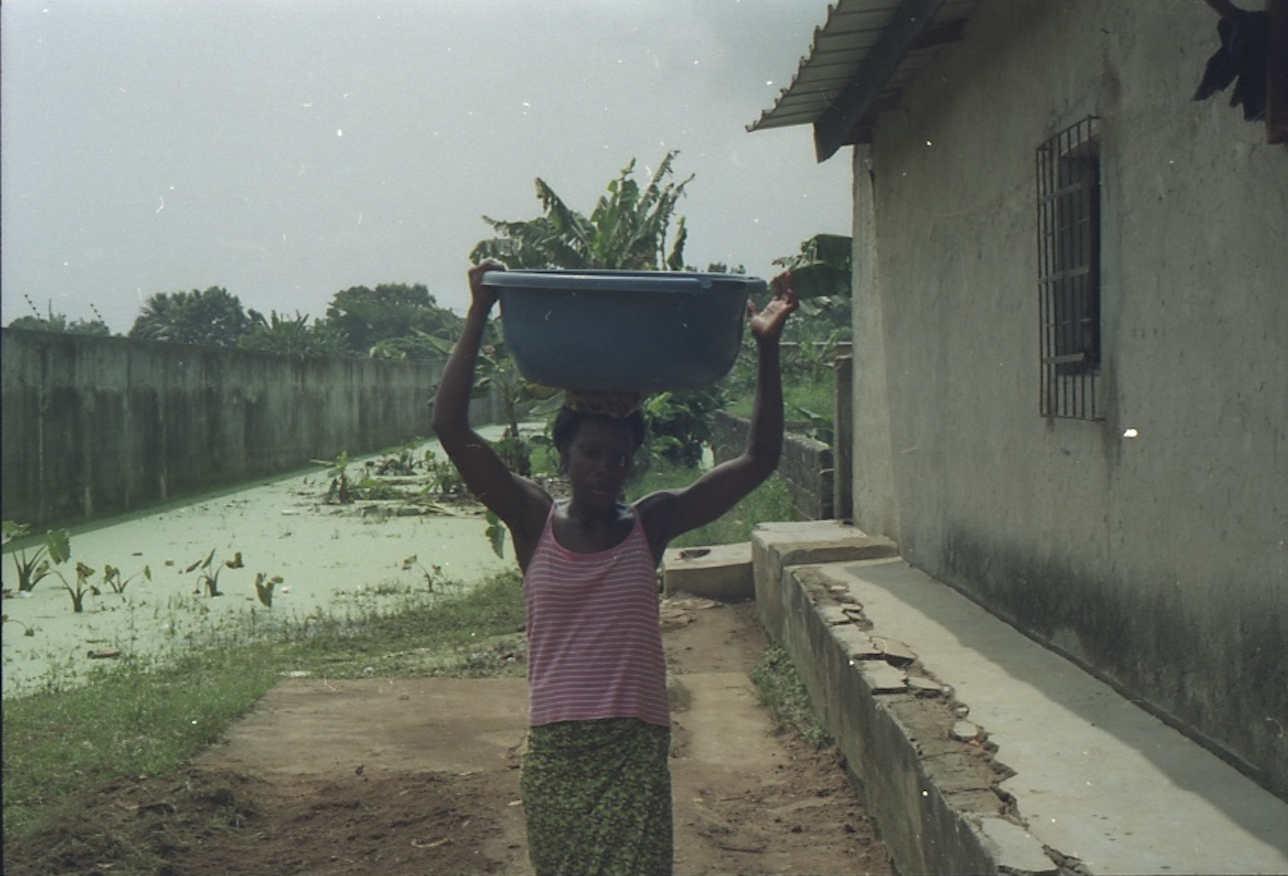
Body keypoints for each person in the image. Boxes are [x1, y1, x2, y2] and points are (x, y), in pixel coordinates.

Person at [431, 258, 798, 876]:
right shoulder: (532, 520)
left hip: (633, 743)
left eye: (620, 457)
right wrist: (477, 313)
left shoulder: (649, 525)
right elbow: (450, 425)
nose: (607, 468)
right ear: (566, 455)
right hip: (558, 749)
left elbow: (759, 460)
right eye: (592, 453)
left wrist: (766, 348)